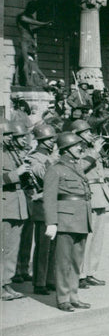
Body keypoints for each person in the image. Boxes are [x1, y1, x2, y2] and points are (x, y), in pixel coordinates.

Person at [42, 132, 93, 312]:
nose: (81, 148)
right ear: (66, 149)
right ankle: (63, 298)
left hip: (81, 219)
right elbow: (49, 199)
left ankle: (74, 295)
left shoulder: (76, 167)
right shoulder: (55, 169)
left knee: (76, 261)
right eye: (77, 146)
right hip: (65, 220)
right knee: (63, 262)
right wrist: (51, 222)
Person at [67, 120, 109, 289]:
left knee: (97, 238)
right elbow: (79, 168)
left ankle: (90, 272)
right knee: (85, 237)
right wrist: (94, 151)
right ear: (76, 134)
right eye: (86, 132)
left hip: (101, 193)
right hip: (90, 193)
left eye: (89, 132)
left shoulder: (90, 148)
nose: (89, 134)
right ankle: (79, 273)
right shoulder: (75, 149)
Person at [2, 121, 32, 301]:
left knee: (12, 249)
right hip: (4, 206)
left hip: (17, 205)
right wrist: (16, 173)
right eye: (6, 135)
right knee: (3, 248)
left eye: (10, 136)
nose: (9, 139)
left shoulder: (12, 154)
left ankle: (7, 282)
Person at [27, 124, 58, 295]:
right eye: (50, 139)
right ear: (42, 140)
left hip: (53, 204)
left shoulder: (51, 156)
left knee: (54, 246)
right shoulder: (34, 158)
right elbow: (43, 175)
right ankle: (39, 282)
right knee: (43, 246)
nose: (53, 141)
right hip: (41, 206)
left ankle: (50, 279)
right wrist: (52, 160)